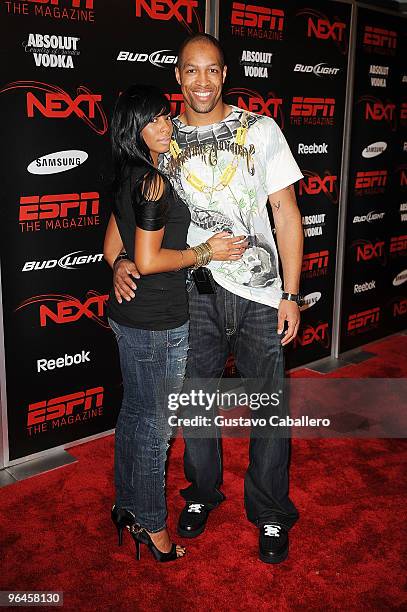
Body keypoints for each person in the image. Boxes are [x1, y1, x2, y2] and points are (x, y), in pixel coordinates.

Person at [113, 34, 304, 564]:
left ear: (225, 74)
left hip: (261, 292)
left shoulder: (259, 130)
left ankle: (269, 509)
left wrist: (291, 292)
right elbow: (123, 213)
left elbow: (286, 211)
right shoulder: (162, 138)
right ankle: (201, 492)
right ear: (177, 76)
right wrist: (119, 261)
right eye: (190, 70)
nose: (202, 81)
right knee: (196, 406)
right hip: (191, 293)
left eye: (212, 70)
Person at [104, 84, 248, 563]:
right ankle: (151, 523)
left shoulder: (131, 171)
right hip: (158, 322)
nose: (165, 126)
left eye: (166, 117)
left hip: (130, 316)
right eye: (153, 120)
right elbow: (146, 259)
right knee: (155, 427)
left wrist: (123, 264)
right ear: (133, 129)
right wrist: (205, 252)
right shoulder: (152, 180)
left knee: (135, 415)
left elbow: (114, 250)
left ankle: (126, 506)